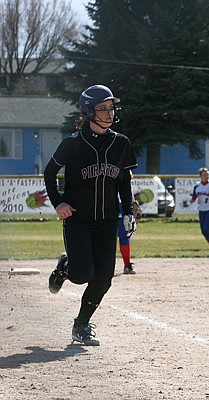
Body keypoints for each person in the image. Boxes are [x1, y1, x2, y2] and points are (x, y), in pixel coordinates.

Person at [44, 85, 137, 346]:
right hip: (78, 219)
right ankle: (65, 267)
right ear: (88, 112)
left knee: (104, 277)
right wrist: (58, 202)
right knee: (81, 274)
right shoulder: (72, 144)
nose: (109, 113)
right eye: (102, 108)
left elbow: (124, 183)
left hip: (107, 220)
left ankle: (81, 325)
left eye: (111, 108)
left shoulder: (121, 143)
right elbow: (49, 173)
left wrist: (128, 211)